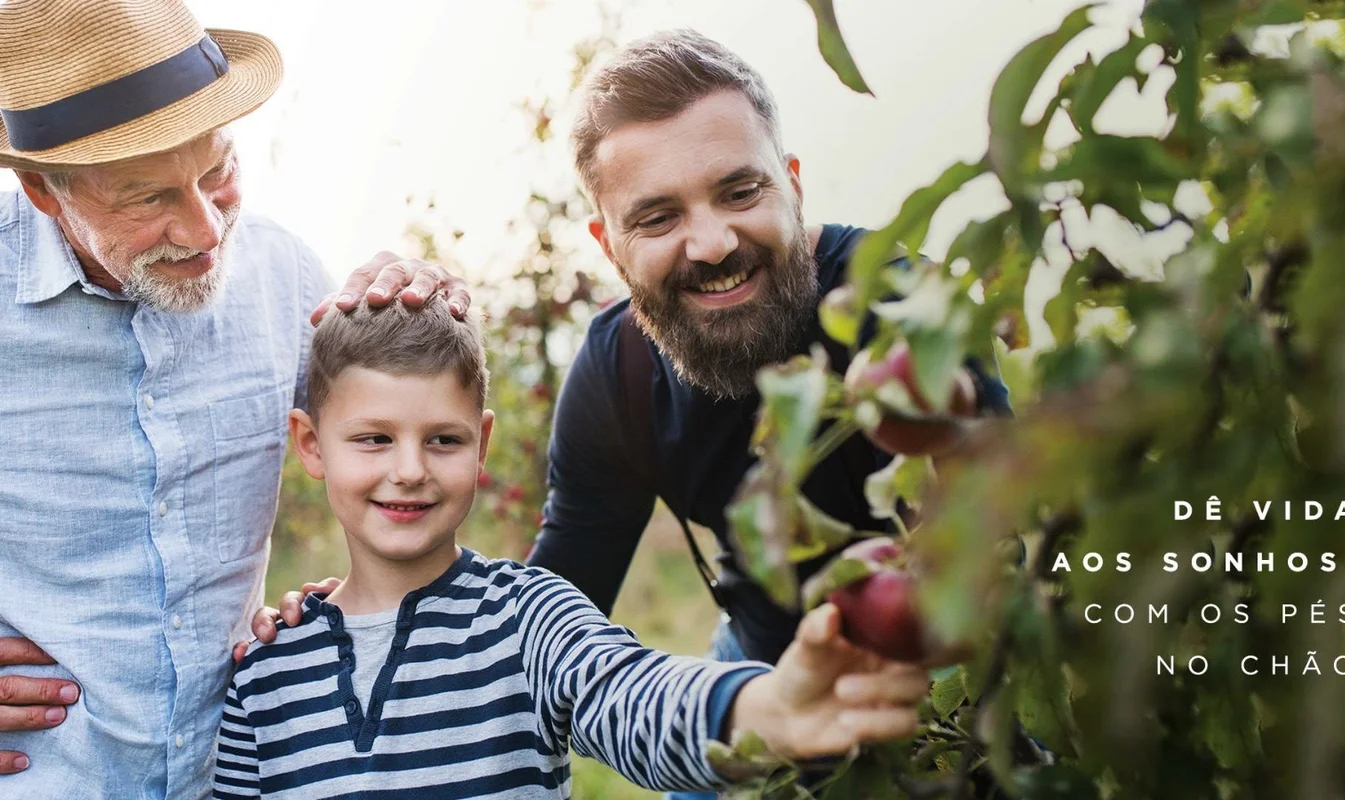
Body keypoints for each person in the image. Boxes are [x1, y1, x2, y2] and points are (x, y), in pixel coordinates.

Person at [0, 0, 466, 793]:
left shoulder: (288, 281)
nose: (207, 229)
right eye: (148, 198)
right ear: (49, 194)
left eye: (218, 171)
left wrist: (423, 311)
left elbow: (404, 448)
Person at [214, 298, 929, 798]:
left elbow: (629, 693)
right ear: (311, 445)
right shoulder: (266, 669)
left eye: (443, 439)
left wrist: (765, 710)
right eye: (374, 438)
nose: (409, 469)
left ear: (483, 444)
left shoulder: (528, 617)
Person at [525, 29, 1010, 666]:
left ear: (793, 185)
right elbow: (559, 611)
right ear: (609, 247)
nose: (712, 243)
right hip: (757, 677)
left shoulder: (902, 307)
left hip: (940, 669)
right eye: (658, 217)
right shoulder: (617, 374)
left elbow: (1001, 540)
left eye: (740, 192)